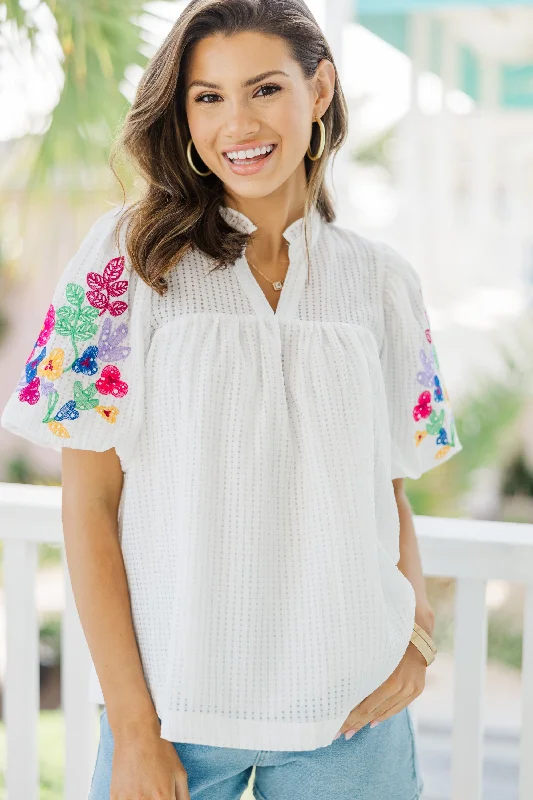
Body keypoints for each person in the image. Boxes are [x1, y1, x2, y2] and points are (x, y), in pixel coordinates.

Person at [1, 1, 463, 798]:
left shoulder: (381, 280)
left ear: (319, 91)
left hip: (355, 712)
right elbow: (87, 507)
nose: (236, 122)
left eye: (264, 88)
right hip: (177, 713)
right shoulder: (124, 262)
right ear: (180, 113)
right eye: (207, 96)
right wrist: (136, 729)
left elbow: (386, 487)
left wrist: (416, 643)